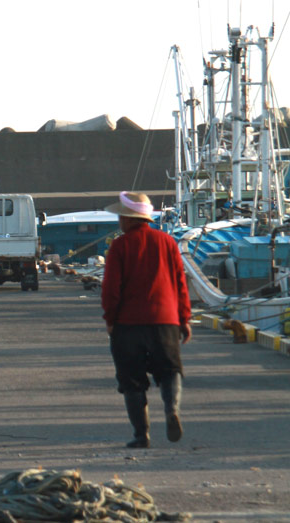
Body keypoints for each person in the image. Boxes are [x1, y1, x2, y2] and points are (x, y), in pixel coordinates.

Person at [101, 191, 192, 448]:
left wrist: (110, 318)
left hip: (128, 324)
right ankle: (171, 409)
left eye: (121, 215)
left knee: (131, 380)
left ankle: (141, 435)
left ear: (130, 219)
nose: (119, 220)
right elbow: (179, 284)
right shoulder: (167, 242)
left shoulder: (119, 246)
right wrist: (184, 317)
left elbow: (111, 289)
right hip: (165, 320)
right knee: (170, 370)